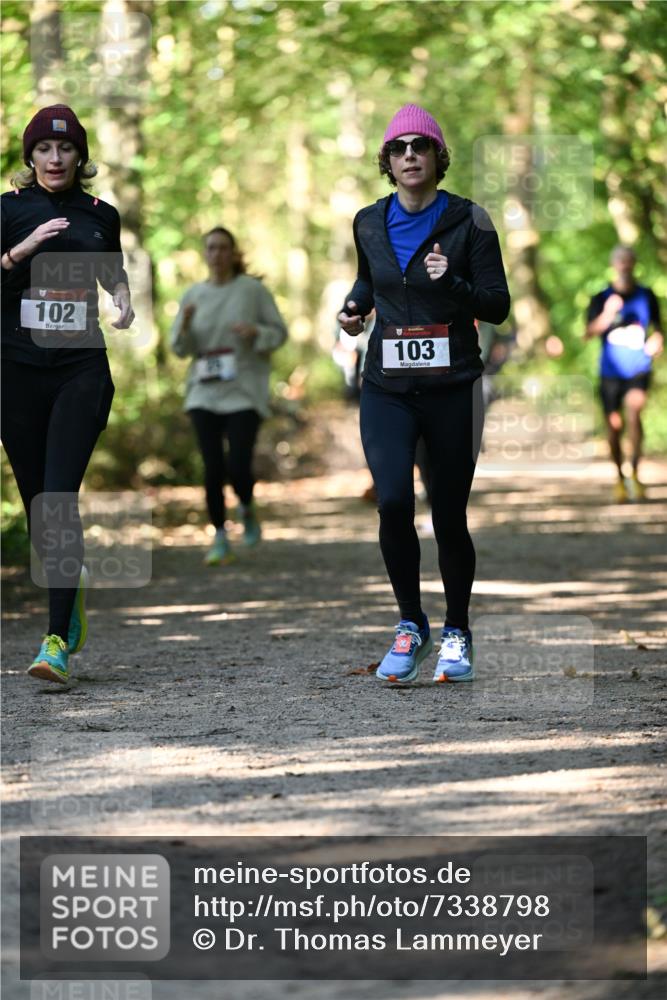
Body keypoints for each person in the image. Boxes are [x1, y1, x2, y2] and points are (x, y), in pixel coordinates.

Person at [338, 104, 510, 684]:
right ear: (387, 162)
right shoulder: (366, 221)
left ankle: (457, 629)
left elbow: (497, 304)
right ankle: (411, 625)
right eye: (399, 147)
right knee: (391, 502)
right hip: (387, 385)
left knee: (448, 513)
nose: (410, 154)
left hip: (453, 387)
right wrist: (355, 307)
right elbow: (372, 278)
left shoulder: (471, 221)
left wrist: (453, 283)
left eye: (421, 145)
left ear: (438, 157)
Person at [1, 104, 134, 684]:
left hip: (80, 367)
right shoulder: (7, 210)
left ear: (81, 157)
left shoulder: (102, 214)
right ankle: (67, 586)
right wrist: (21, 250)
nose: (55, 159)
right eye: (44, 150)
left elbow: (112, 273)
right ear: (30, 158)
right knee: (39, 507)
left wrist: (123, 297)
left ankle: (54, 640)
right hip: (14, 369)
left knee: (59, 498)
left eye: (66, 149)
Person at [170, 227, 287, 565]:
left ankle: (247, 507)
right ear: (204, 254)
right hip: (203, 392)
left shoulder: (252, 291)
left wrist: (256, 332)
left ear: (234, 253)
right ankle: (220, 536)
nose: (217, 254)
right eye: (211, 248)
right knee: (211, 467)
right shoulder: (193, 294)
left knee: (237, 464)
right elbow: (180, 349)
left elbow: (279, 333)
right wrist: (185, 325)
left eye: (223, 248)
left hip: (243, 391)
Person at [585, 245, 663, 501]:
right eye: (621, 261)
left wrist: (657, 341)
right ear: (614, 264)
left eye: (629, 261)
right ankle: (620, 478)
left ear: (634, 263)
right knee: (614, 427)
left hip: (638, 368)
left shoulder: (647, 296)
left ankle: (636, 473)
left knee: (634, 412)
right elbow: (588, 333)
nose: (625, 266)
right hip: (610, 372)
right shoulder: (601, 297)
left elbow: (658, 330)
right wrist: (608, 313)